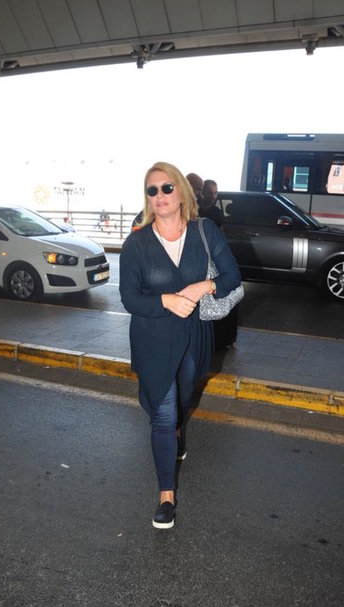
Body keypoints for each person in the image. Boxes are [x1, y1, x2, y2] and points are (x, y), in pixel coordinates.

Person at [119, 161, 241, 529]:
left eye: (166, 187)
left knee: (184, 398)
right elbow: (129, 298)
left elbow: (232, 276)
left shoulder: (205, 232)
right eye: (152, 190)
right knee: (163, 413)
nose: (159, 195)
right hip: (152, 338)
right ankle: (166, 496)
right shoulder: (136, 243)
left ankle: (177, 432)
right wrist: (166, 301)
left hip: (193, 336)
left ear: (181, 192)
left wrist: (205, 286)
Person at [199, 179, 239, 349]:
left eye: (215, 193)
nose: (213, 196)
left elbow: (221, 235)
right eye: (210, 192)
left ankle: (226, 338)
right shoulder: (195, 209)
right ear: (202, 193)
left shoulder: (216, 213)